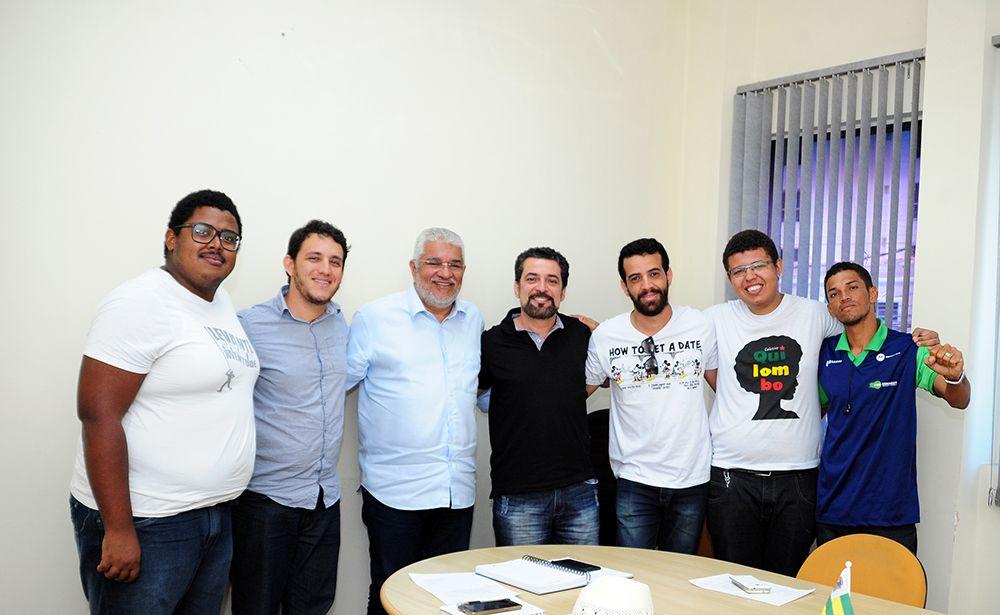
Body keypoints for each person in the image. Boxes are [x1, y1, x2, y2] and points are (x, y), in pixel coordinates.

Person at [703, 229, 938, 576]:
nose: (750, 277)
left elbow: (862, 335)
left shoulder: (816, 314)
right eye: (739, 271)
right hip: (731, 476)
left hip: (799, 477)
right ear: (729, 278)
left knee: (791, 585)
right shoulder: (713, 319)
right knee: (735, 582)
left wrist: (921, 341)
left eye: (759, 266)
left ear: (778, 266)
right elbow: (691, 356)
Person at [69, 190, 258, 614]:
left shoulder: (219, 303)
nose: (217, 244)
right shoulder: (139, 302)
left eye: (229, 238)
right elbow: (98, 415)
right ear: (172, 238)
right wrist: (119, 529)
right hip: (148, 521)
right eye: (203, 231)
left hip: (213, 516)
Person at [346, 227, 483, 615]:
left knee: (447, 600)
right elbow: (334, 385)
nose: (445, 273)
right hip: (395, 492)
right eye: (434, 262)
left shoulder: (473, 319)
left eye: (455, 265)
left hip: (456, 492)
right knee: (391, 595)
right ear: (413, 267)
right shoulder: (375, 318)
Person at [230, 220, 350, 614]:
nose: (325, 269)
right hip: (265, 504)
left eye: (335, 261)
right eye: (314, 258)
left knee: (313, 608)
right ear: (289, 264)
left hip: (323, 500)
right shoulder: (250, 325)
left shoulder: (341, 324)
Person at [817, 261, 970, 554]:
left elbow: (959, 398)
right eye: (834, 294)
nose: (844, 297)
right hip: (833, 506)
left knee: (894, 586)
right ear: (830, 309)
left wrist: (956, 377)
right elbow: (814, 411)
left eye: (852, 287)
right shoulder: (824, 353)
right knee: (831, 586)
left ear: (873, 293)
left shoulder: (908, 350)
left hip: (889, 511)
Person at [584, 238, 716, 553]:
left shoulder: (701, 325)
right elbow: (574, 395)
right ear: (624, 286)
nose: (647, 285)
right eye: (635, 278)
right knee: (634, 571)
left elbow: (726, 391)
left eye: (654, 274)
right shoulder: (606, 336)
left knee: (678, 571)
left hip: (690, 477)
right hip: (634, 478)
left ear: (668, 275)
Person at [478, 247, 598, 546]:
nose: (541, 288)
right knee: (522, 577)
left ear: (563, 291)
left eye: (552, 281)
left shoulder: (581, 335)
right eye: (532, 279)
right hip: (519, 496)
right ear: (517, 286)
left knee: (584, 576)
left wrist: (604, 332)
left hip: (580, 492)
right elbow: (467, 394)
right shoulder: (491, 342)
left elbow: (612, 376)